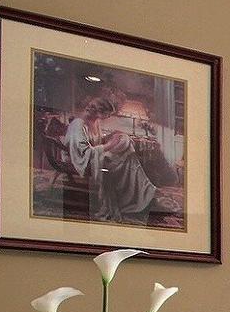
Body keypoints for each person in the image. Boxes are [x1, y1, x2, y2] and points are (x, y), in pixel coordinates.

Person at [63, 94, 177, 223]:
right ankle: (144, 195)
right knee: (126, 160)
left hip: (94, 157)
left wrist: (113, 135)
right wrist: (110, 144)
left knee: (125, 144)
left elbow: (96, 142)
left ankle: (144, 194)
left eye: (95, 108)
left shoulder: (95, 123)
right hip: (82, 160)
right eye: (91, 105)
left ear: (103, 115)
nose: (90, 108)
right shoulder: (78, 124)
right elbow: (83, 152)